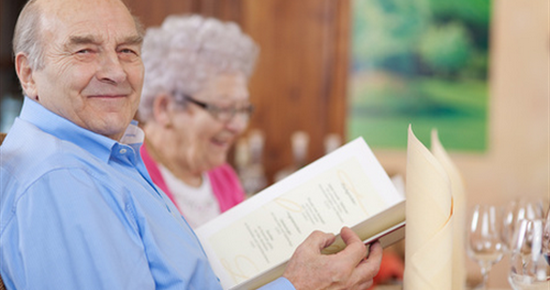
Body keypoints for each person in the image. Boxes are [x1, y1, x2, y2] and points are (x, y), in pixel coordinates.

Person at [0, 0, 382, 289]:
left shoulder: (105, 157)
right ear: (28, 73)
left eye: (128, 50)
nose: (116, 71)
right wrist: (296, 286)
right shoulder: (62, 180)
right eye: (84, 50)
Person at [138, 15, 254, 228]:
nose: (238, 125)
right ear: (165, 108)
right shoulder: (131, 180)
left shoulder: (224, 177)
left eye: (243, 109)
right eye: (224, 109)